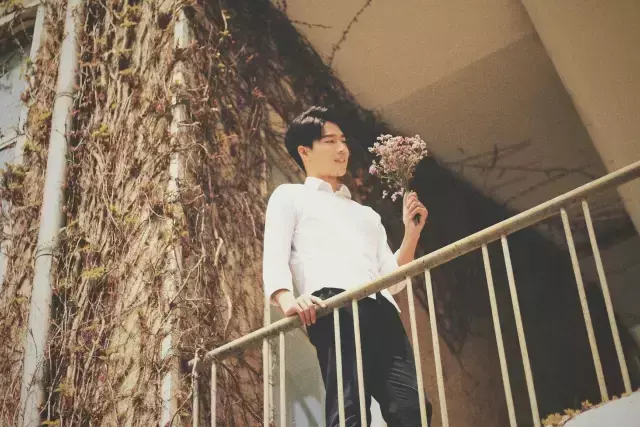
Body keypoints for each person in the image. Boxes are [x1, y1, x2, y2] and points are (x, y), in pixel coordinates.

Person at [263, 106, 432, 426]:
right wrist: (288, 301)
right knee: (349, 410)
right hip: (332, 305)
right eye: (330, 141)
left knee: (413, 409)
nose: (342, 148)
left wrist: (411, 235)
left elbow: (392, 279)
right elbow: (275, 255)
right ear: (304, 151)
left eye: (343, 140)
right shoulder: (290, 197)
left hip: (381, 309)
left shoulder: (366, 214)